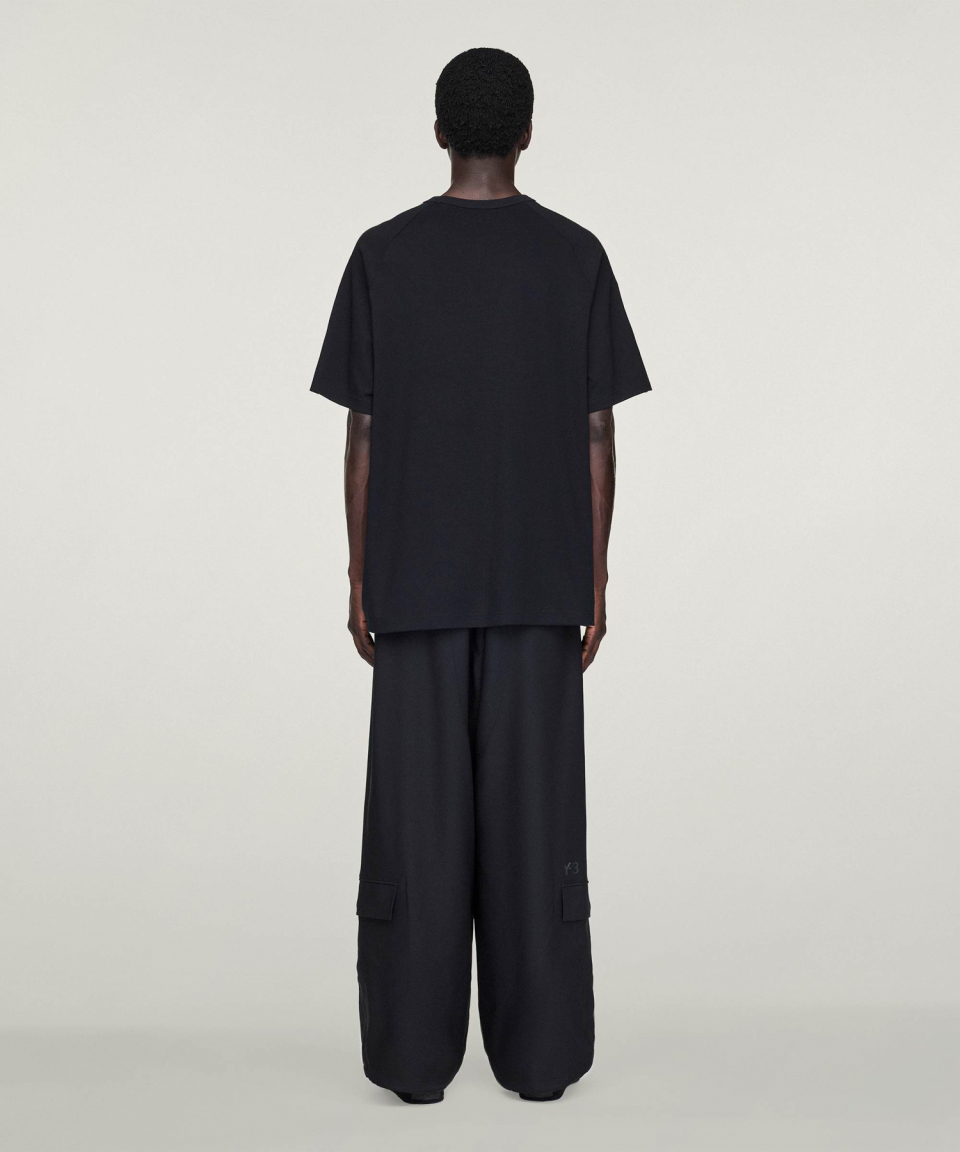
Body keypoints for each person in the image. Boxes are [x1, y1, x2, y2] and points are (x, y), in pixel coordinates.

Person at [310, 47, 651, 1105]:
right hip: (540, 586)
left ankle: (412, 1062)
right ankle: (541, 1060)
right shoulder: (575, 256)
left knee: (415, 835)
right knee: (537, 829)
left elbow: (364, 432)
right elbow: (596, 431)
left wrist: (361, 574)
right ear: (528, 133)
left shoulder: (383, 254)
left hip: (415, 586)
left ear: (439, 133)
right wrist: (594, 578)